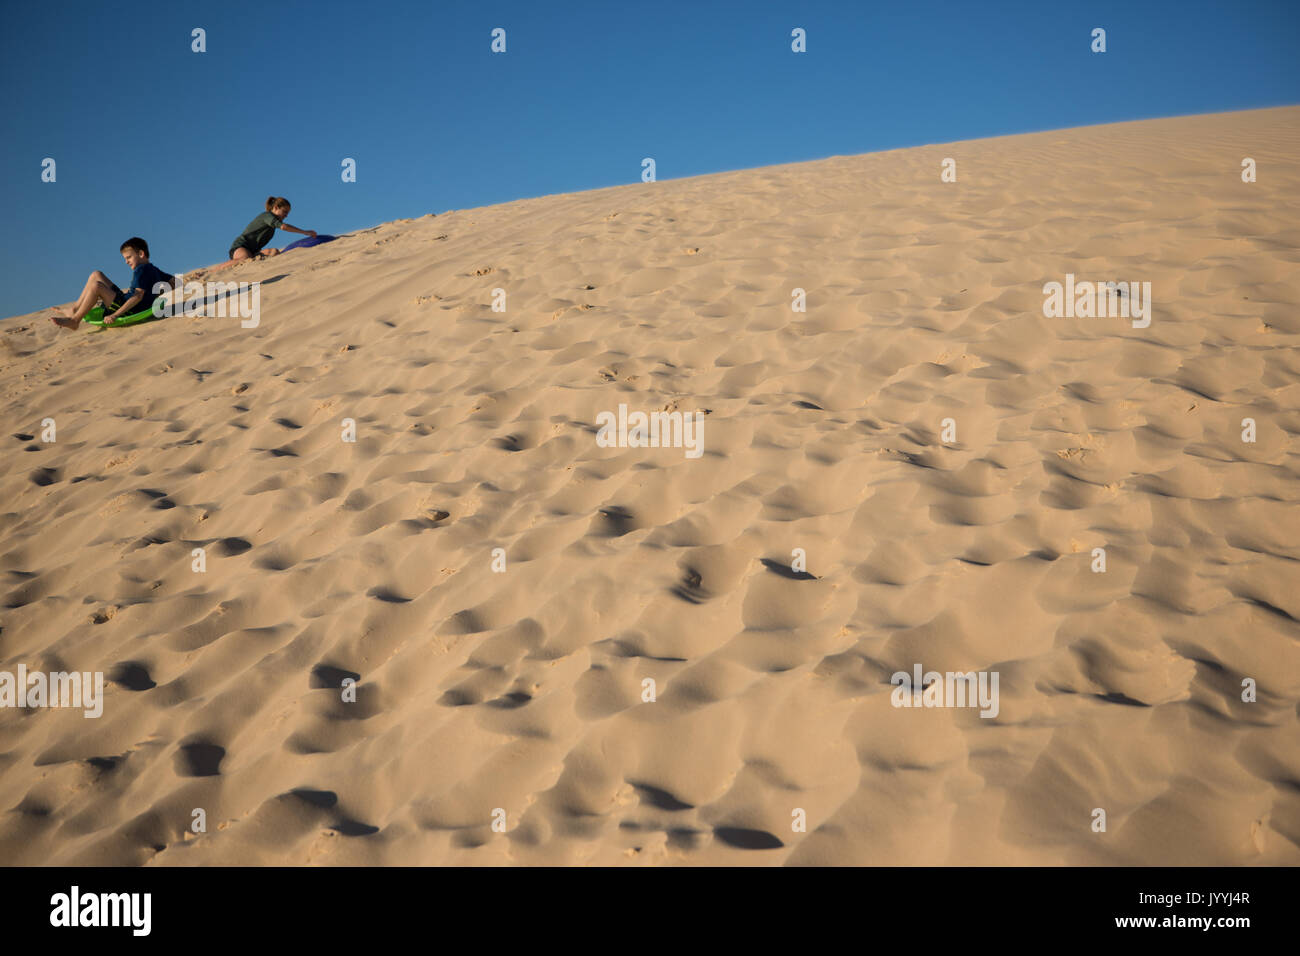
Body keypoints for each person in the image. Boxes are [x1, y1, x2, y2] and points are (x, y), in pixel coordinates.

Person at [50, 237, 175, 330]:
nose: (126, 262)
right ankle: (74, 309)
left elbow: (137, 296)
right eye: (125, 258)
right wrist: (155, 294)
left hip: (129, 309)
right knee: (96, 275)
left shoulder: (141, 270)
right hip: (126, 300)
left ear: (141, 254)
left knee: (96, 286)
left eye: (129, 257)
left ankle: (75, 320)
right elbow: (174, 283)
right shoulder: (153, 268)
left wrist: (115, 315)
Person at [225, 196, 316, 264]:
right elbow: (284, 227)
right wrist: (305, 232)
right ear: (276, 207)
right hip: (241, 247)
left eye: (287, 213)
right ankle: (213, 271)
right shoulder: (267, 216)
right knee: (244, 259)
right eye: (284, 212)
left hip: (253, 252)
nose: (286, 215)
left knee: (274, 252)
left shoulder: (272, 223)